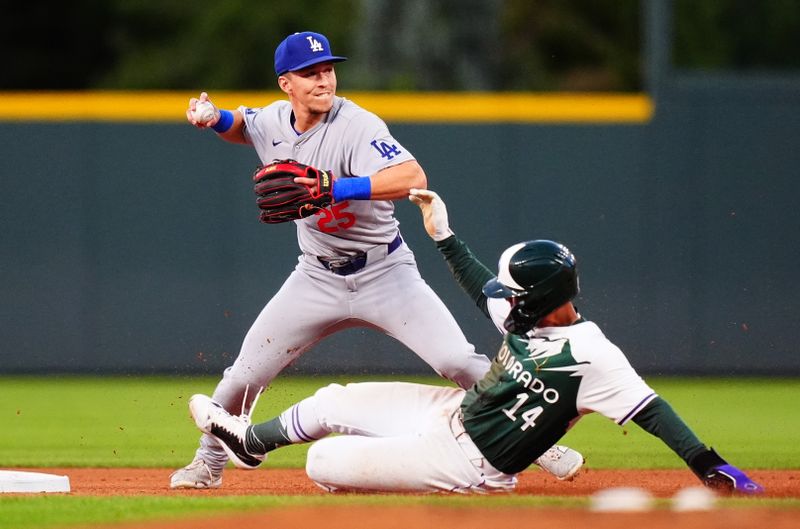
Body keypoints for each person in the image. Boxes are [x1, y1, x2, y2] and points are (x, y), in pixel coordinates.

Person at [172, 31, 582, 488]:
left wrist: (335, 186)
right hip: (315, 277)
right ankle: (208, 464)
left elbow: (411, 175)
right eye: (310, 73)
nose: (323, 80)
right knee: (241, 377)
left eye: (327, 69)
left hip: (385, 272)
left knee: (459, 362)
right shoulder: (272, 120)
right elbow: (242, 126)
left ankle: (538, 439)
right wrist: (213, 118)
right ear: (286, 83)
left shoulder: (357, 124)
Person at [184, 189, 764, 495]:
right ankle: (250, 441)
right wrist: (443, 234)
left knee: (323, 459)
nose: (503, 297)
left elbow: (654, 413)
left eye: (514, 292)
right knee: (337, 398)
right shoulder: (528, 314)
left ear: (540, 296)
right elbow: (478, 280)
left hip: (468, 463)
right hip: (455, 413)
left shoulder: (595, 357)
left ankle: (392, 461)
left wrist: (715, 467)